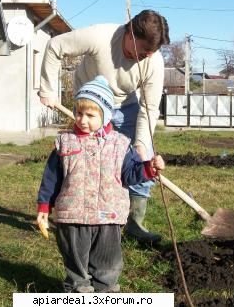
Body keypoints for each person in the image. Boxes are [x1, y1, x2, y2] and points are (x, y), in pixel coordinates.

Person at [38, 9, 170, 243]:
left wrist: (140, 143)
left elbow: (149, 108)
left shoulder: (154, 61)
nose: (148, 56)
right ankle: (74, 216)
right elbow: (55, 46)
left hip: (126, 107)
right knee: (85, 160)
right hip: (91, 106)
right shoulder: (101, 36)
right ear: (130, 34)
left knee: (143, 158)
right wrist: (47, 90)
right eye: (144, 51)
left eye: (152, 52)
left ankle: (135, 223)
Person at [36, 76, 166, 293]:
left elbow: (130, 175)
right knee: (76, 263)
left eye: (90, 115)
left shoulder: (120, 145)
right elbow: (51, 178)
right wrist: (43, 206)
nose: (82, 120)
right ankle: (79, 291)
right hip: (72, 216)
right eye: (79, 113)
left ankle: (105, 293)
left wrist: (149, 169)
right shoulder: (65, 143)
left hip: (109, 216)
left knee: (108, 262)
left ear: (105, 117)